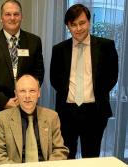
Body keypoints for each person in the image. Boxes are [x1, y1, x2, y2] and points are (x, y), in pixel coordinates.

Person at [50, 4, 118, 159]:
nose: (78, 28)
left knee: (91, 156)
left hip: (95, 112)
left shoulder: (106, 46)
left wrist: (96, 93)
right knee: (66, 157)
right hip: (67, 112)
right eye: (73, 25)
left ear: (89, 22)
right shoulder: (59, 49)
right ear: (68, 26)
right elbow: (54, 79)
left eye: (82, 23)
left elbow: (112, 76)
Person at [0, 0, 44, 153]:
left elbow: (38, 73)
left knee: (24, 151)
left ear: (21, 16)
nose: (12, 18)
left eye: (16, 14)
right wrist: (5, 101)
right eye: (8, 14)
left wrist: (25, 97)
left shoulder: (34, 41)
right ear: (1, 18)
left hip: (26, 107)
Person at [0, 74, 68, 164]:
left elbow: (60, 150)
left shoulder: (52, 117)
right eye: (22, 91)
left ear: (39, 93)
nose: (27, 96)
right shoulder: (2, 118)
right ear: (16, 94)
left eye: (32, 91)